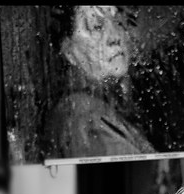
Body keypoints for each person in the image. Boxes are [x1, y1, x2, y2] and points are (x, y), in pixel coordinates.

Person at [45, 5, 155, 159]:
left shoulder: (105, 109)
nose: (115, 37)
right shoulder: (84, 117)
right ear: (69, 51)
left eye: (118, 22)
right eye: (97, 27)